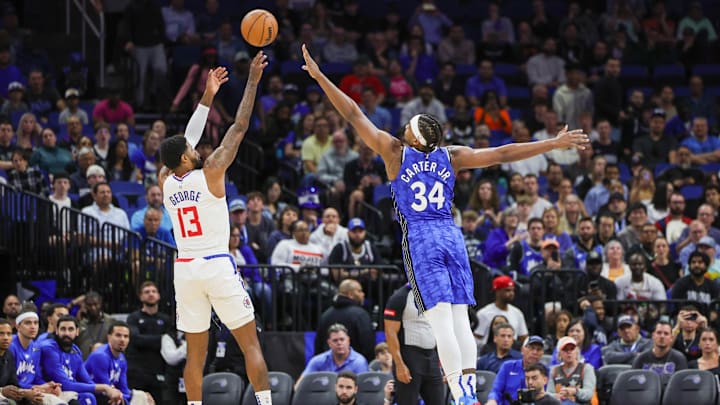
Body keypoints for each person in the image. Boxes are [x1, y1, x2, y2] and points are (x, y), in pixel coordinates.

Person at [302, 44, 588, 405]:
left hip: (421, 236)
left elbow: (354, 113)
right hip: (450, 234)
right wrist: (554, 143)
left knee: (440, 324)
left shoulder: (394, 152)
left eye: (408, 127)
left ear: (414, 139)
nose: (403, 126)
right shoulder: (451, 156)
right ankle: (468, 392)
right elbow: (503, 153)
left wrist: (318, 76)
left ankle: (462, 395)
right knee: (459, 321)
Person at [158, 53, 272, 405]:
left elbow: (184, 139)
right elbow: (239, 126)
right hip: (217, 265)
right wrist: (252, 80)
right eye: (191, 148)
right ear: (184, 158)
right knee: (250, 343)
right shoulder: (211, 172)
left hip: (185, 270)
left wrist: (207, 96)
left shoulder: (165, 181)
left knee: (195, 356)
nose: (197, 146)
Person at [38, 315, 124, 405]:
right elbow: (65, 384)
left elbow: (87, 380)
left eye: (71, 329)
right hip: (51, 391)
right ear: (57, 331)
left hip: (69, 392)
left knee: (107, 399)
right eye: (63, 329)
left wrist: (109, 390)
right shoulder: (49, 348)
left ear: (77, 332)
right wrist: (104, 388)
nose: (67, 333)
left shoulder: (75, 351)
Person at [384, 285, 444, 405]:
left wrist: (445, 364)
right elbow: (390, 333)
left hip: (431, 355)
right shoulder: (400, 297)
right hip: (409, 356)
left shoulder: (436, 294)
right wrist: (399, 365)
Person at [84, 321, 155, 404]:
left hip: (104, 395)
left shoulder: (122, 359)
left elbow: (124, 388)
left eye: (126, 336)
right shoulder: (100, 356)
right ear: (109, 337)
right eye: (118, 335)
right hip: (87, 395)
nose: (122, 340)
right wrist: (137, 397)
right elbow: (106, 390)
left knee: (144, 398)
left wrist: (140, 395)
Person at [296, 324, 368, 387]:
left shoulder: (359, 362)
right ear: (329, 343)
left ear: (348, 340)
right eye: (335, 340)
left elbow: (362, 390)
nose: (339, 343)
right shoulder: (317, 361)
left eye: (342, 339)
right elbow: (300, 384)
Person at [486, 336, 546, 405]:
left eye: (539, 349)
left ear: (542, 353)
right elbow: (496, 390)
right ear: (522, 350)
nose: (535, 352)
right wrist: (492, 400)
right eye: (531, 348)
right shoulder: (508, 367)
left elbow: (545, 395)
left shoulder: (545, 371)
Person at [0, 318, 45, 404]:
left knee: (36, 400)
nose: (6, 338)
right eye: (1, 334)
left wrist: (26, 393)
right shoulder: (13, 350)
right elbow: (5, 390)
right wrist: (2, 391)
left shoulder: (8, 355)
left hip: (6, 396)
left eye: (9, 334)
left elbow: (14, 384)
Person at [546, 336, 596, 405]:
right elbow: (548, 394)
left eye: (572, 349)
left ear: (576, 351)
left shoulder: (586, 368)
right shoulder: (554, 370)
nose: (569, 352)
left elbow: (589, 394)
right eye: (565, 349)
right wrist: (558, 396)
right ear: (559, 354)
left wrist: (575, 391)